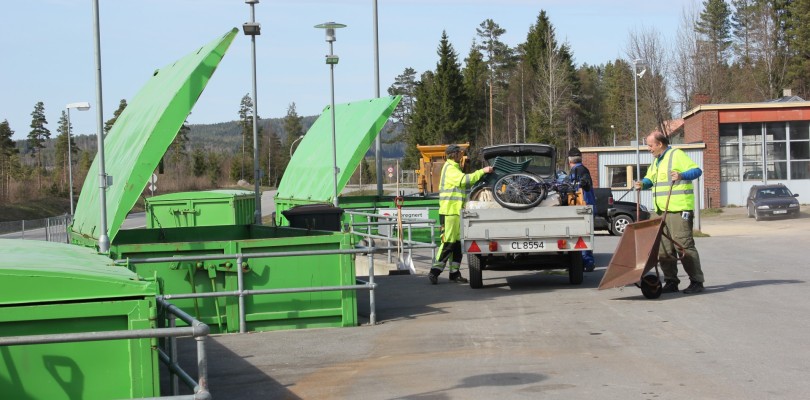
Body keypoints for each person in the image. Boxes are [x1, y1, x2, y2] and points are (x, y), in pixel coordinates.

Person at [635, 132, 705, 294]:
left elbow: (696, 171)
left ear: (660, 144)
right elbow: (650, 180)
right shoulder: (657, 161)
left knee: (684, 246)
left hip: (679, 209)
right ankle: (671, 281)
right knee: (663, 248)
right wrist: (642, 184)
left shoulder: (676, 155)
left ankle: (696, 281)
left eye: (650, 145)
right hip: (660, 210)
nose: (648, 149)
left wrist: (681, 175)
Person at [429, 144, 493, 284]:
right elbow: (464, 180)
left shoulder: (454, 168)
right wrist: (482, 171)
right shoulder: (451, 168)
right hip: (449, 212)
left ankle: (454, 273)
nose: (461, 156)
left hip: (456, 211)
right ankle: (435, 271)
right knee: (448, 243)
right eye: (460, 153)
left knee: (457, 244)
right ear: (454, 154)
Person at [567, 147, 596, 272]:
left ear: (569, 160)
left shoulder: (578, 170)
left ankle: (587, 262)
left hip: (582, 207)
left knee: (582, 236)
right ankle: (583, 262)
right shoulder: (582, 169)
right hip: (586, 206)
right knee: (582, 236)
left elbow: (581, 187)